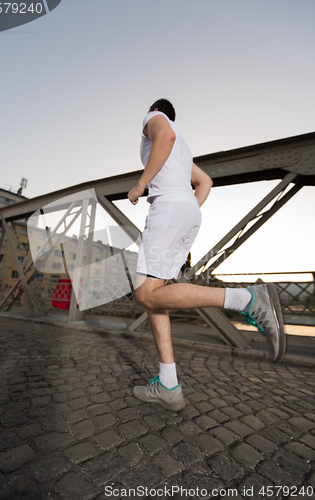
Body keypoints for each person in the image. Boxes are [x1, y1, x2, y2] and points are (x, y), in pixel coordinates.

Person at [127, 99, 286, 411]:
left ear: (157, 111)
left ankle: (247, 300)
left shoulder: (155, 119)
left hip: (169, 207)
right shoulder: (181, 151)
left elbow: (165, 137)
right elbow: (205, 182)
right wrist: (185, 212)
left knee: (145, 294)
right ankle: (169, 385)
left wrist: (141, 185)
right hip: (186, 208)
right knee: (156, 294)